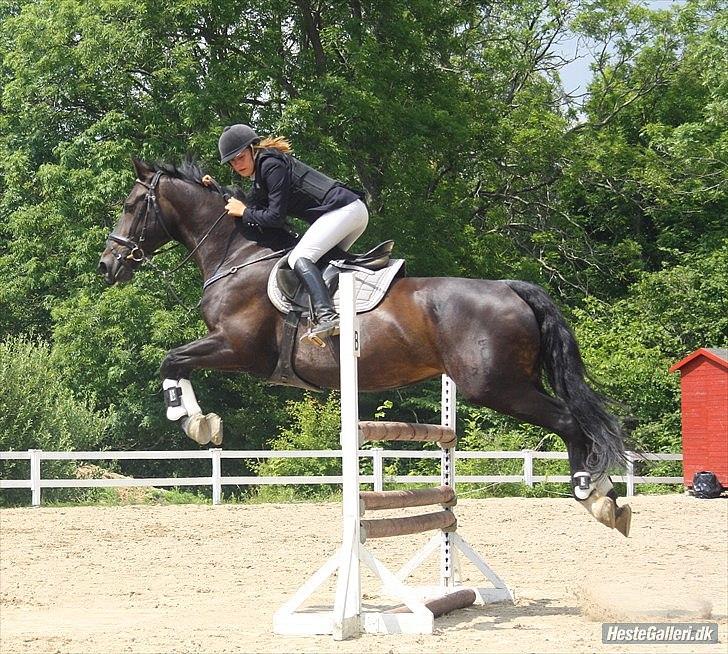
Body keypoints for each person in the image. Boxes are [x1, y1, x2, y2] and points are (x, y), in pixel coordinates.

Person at [202, 124, 368, 342]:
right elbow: (246, 206)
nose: (237, 165)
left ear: (252, 149)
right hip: (346, 212)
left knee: (300, 257)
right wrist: (216, 189)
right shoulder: (261, 175)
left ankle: (328, 317)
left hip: (345, 210)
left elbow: (273, 218)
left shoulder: (270, 165)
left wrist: (244, 212)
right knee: (320, 265)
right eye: (232, 162)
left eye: (240, 157)